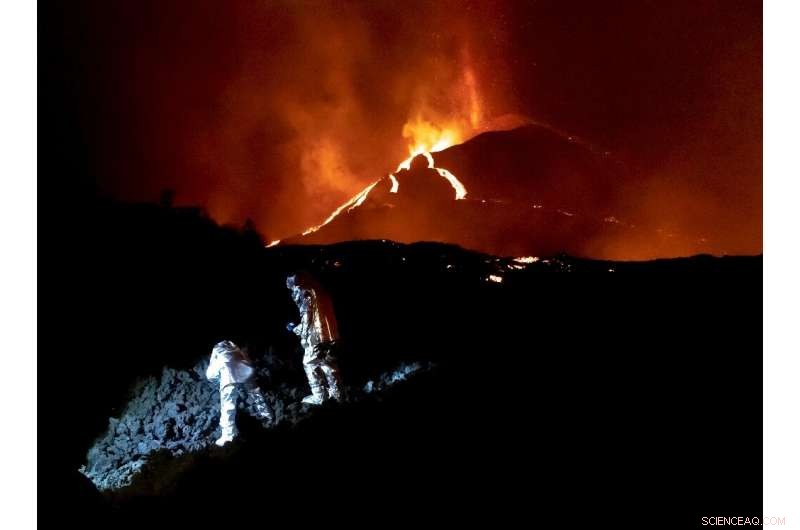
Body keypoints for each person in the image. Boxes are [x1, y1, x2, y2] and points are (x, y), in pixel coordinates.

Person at [286, 272, 343, 405]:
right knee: (328, 364)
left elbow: (307, 317)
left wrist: (300, 333)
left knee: (309, 363)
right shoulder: (317, 288)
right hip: (330, 335)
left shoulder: (304, 292)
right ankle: (338, 395)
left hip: (316, 336)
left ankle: (320, 396)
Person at [206, 340, 274, 446]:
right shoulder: (232, 344)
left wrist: (217, 381)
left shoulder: (216, 350)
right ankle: (268, 415)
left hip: (228, 375)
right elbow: (245, 357)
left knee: (228, 406)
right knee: (256, 393)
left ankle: (228, 435)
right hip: (246, 370)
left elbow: (211, 374)